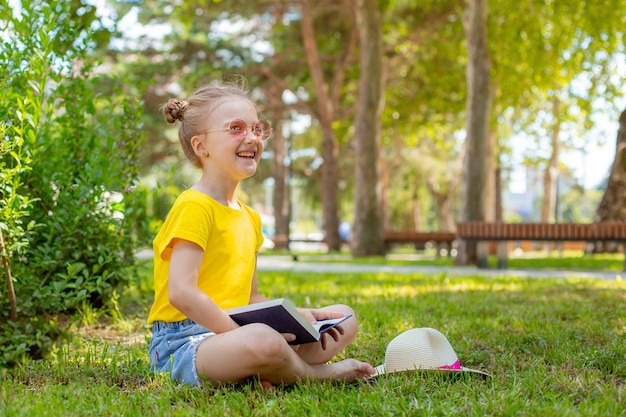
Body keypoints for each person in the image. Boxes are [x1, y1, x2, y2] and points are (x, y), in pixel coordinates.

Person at [147, 80, 375, 388]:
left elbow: (251, 297)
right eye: (236, 128)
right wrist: (237, 333)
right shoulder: (194, 206)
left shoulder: (250, 217)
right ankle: (316, 376)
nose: (252, 137)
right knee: (263, 342)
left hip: (239, 331)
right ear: (201, 146)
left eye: (256, 128)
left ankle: (267, 370)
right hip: (184, 343)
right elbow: (181, 292)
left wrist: (299, 316)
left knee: (343, 318)